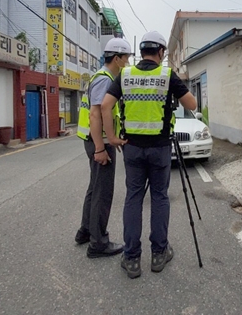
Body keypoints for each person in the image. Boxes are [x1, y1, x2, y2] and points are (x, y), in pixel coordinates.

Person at [101, 31, 196, 278]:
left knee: (133, 198)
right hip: (160, 149)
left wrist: (111, 138)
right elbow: (192, 105)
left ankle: (131, 258)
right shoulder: (167, 75)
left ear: (141, 52)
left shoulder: (125, 74)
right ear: (161, 52)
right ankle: (159, 253)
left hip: (131, 148)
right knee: (159, 198)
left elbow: (105, 105)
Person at [75, 37, 132, 258]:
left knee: (94, 188)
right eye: (126, 58)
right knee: (102, 193)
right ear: (117, 58)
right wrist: (101, 148)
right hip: (99, 144)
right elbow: (95, 113)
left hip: (97, 141)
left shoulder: (103, 77)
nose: (127, 63)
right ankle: (98, 243)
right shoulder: (105, 80)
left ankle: (86, 231)